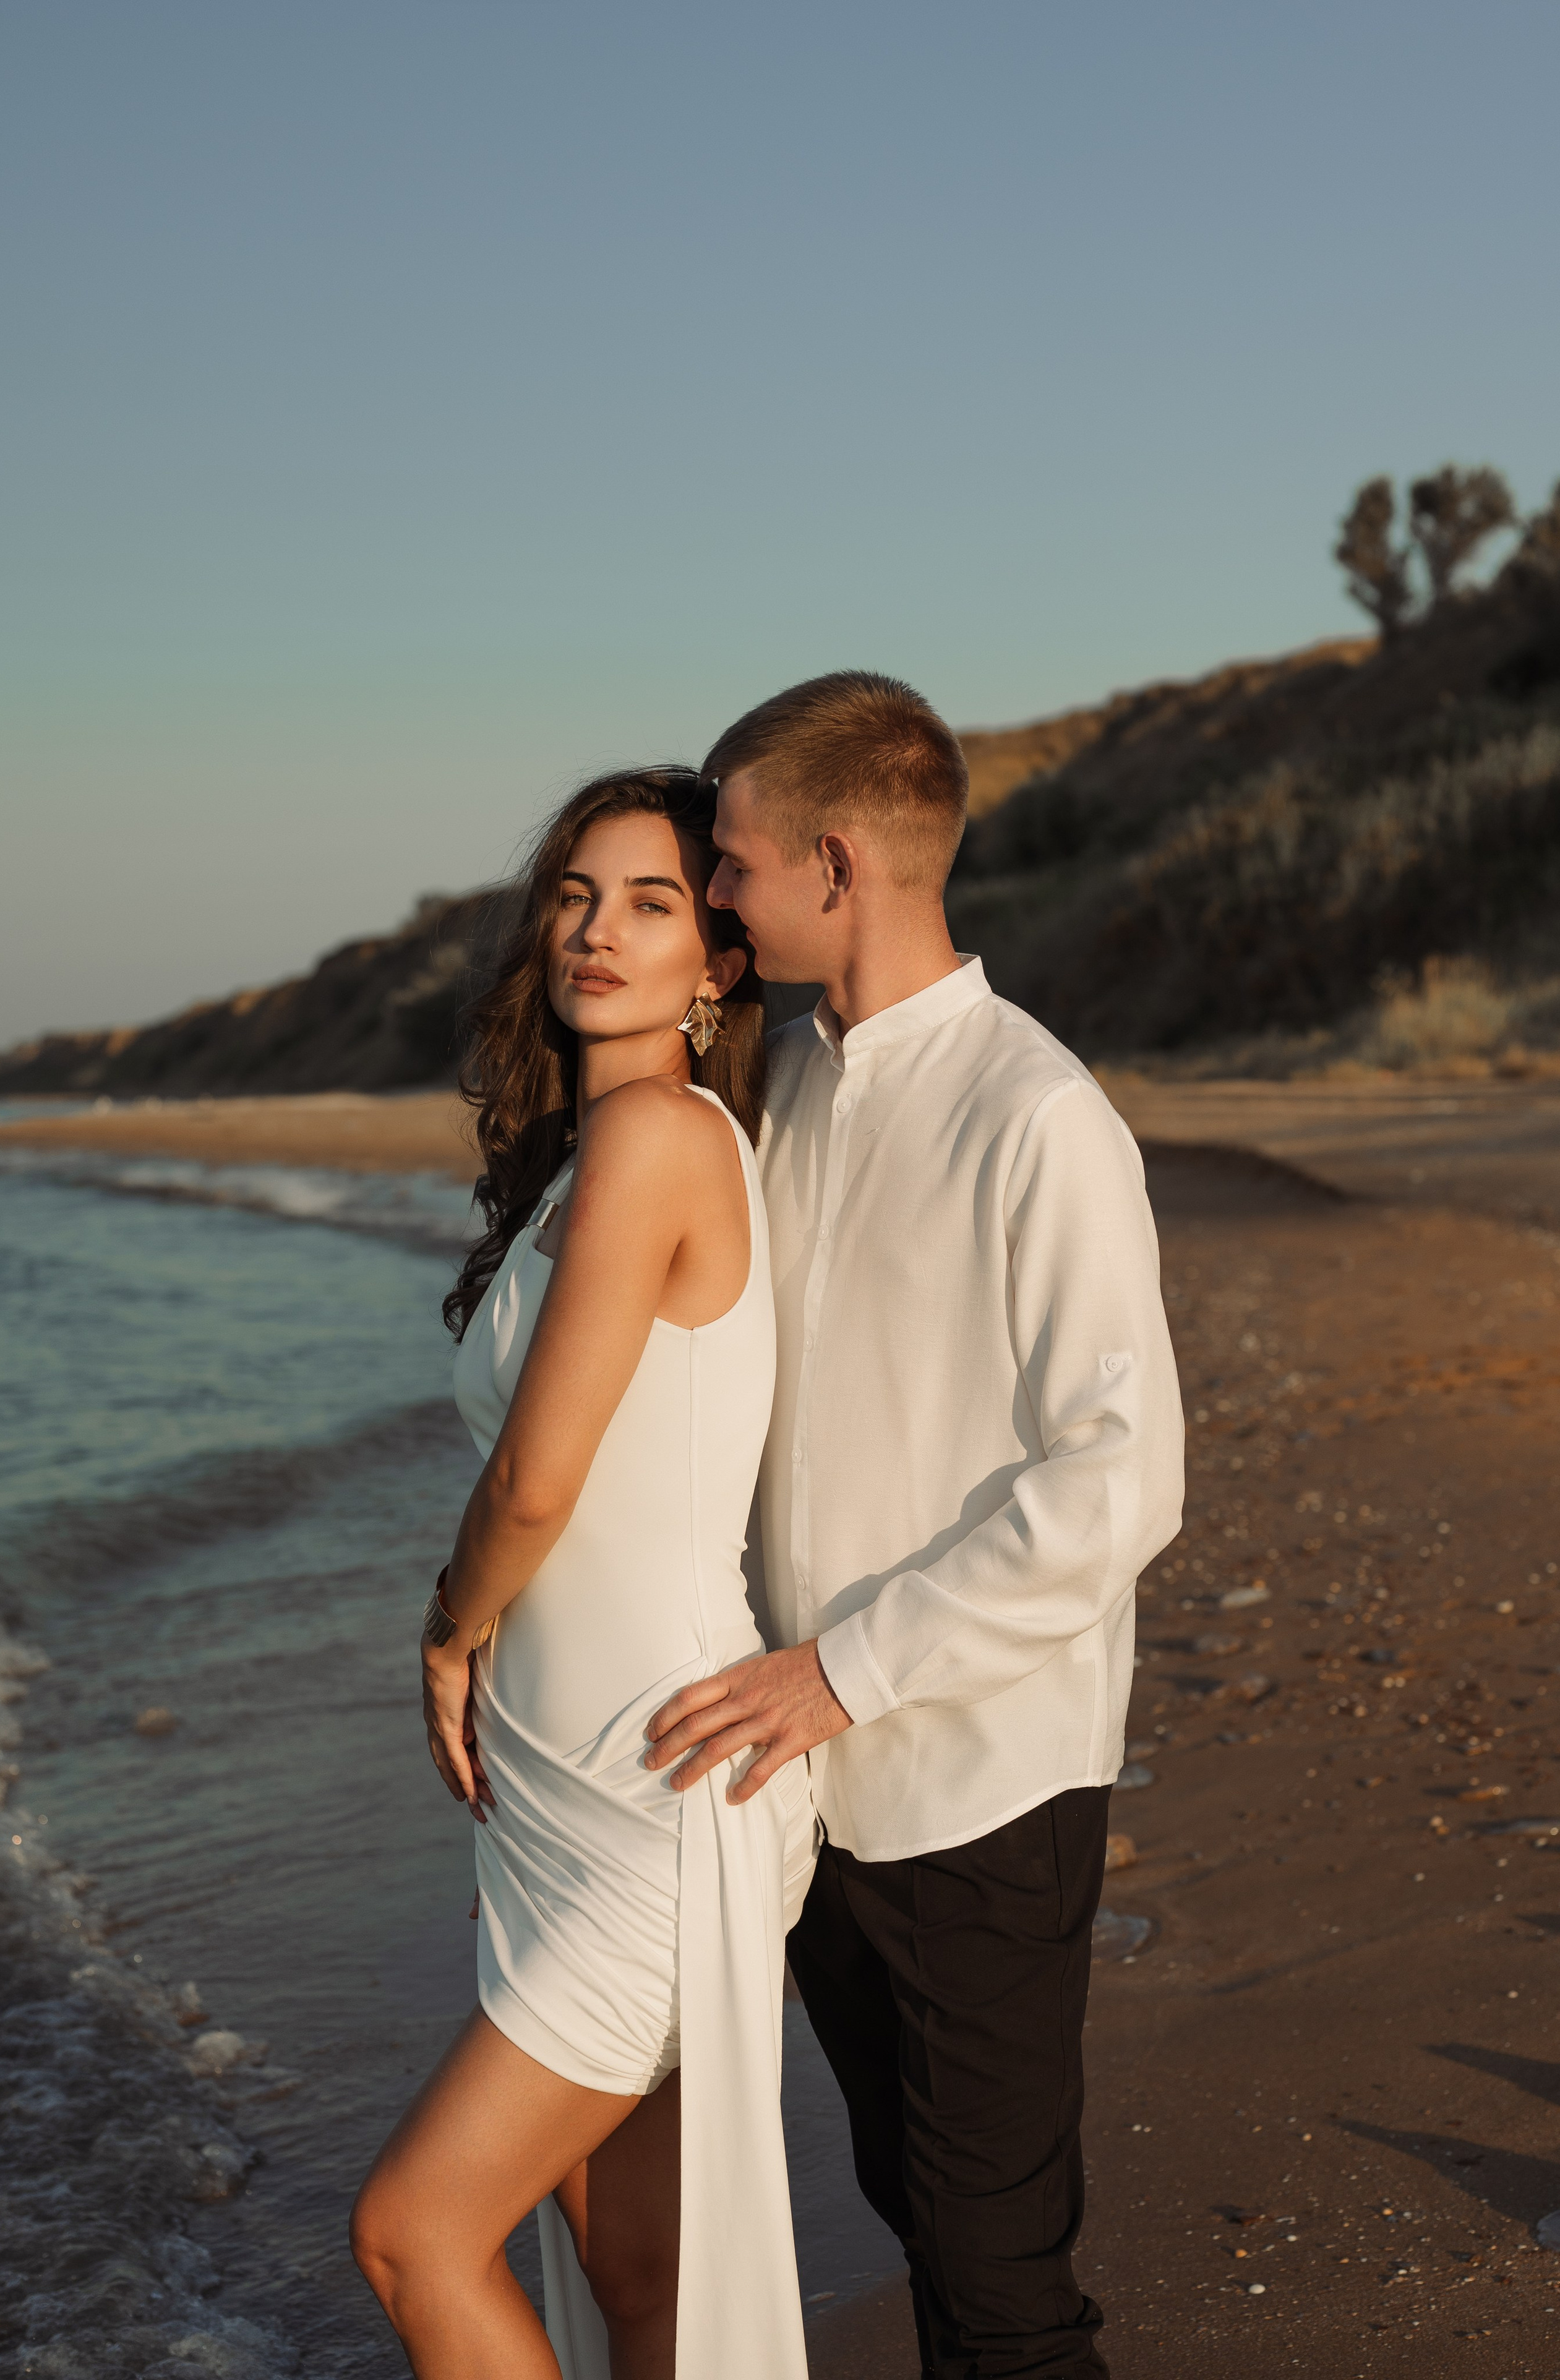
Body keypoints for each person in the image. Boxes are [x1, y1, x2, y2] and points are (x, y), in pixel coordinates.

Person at [645, 674, 1186, 2379]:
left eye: (728, 864)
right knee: (919, 2217)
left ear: (834, 859)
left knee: (1003, 2280)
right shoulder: (781, 1094)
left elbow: (1121, 1475)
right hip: (812, 1793)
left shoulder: (1038, 1115)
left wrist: (847, 1669)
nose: (716, 896)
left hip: (980, 1779)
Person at [351, 767, 818, 2380]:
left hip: (659, 1792)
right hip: (571, 1789)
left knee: (413, 2237)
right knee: (642, 2285)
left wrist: (445, 1629)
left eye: (653, 902)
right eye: (575, 895)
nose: (597, 932)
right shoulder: (592, 1154)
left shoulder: (660, 1140)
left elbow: (537, 1479)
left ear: (724, 962)